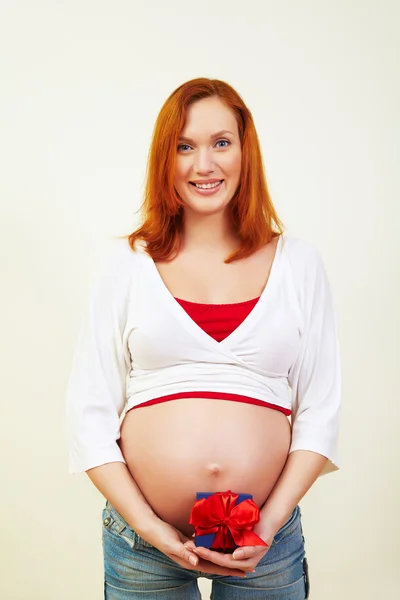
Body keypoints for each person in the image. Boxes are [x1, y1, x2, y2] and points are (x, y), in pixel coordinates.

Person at [65, 77, 341, 599]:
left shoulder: (299, 265)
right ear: (164, 160)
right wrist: (149, 527)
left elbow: (320, 412)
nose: (204, 165)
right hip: (141, 545)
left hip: (266, 543)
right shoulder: (127, 266)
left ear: (245, 150)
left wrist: (269, 523)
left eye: (221, 142)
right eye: (184, 147)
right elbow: (89, 415)